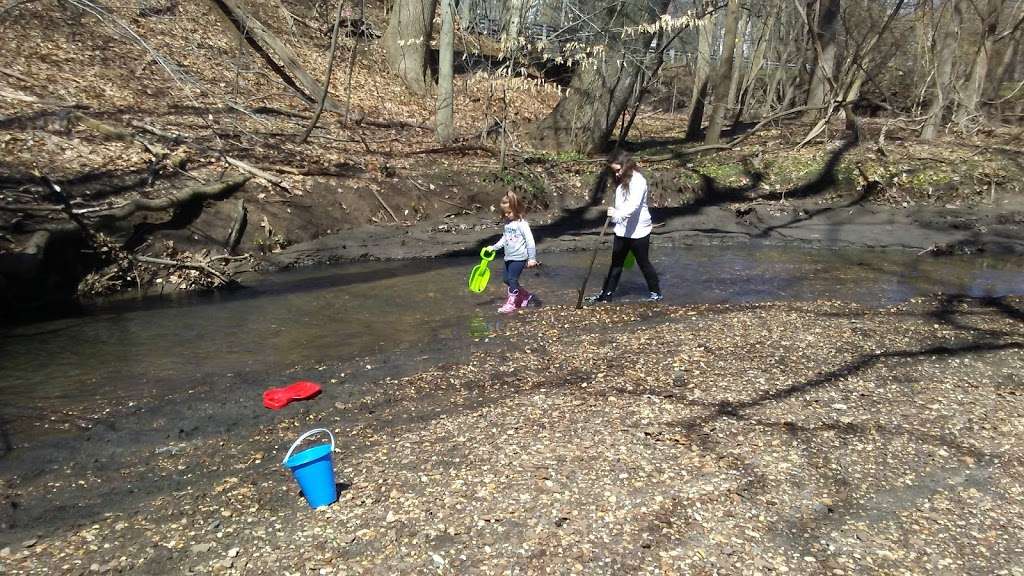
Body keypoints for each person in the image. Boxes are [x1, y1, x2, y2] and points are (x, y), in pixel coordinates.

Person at [587, 150, 662, 303]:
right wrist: (615, 214)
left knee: (643, 262)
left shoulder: (638, 181)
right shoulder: (622, 181)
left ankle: (656, 293)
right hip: (622, 229)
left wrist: (616, 214)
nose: (616, 174)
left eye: (618, 170)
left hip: (638, 231)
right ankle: (606, 294)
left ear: (626, 165)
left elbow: (633, 206)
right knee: (617, 262)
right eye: (613, 171)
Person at [486, 191, 539, 313]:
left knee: (512, 279)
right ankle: (525, 295)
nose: (507, 215)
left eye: (509, 212)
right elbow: (504, 239)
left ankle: (512, 303)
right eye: (505, 213)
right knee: (506, 279)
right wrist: (493, 247)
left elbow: (530, 241)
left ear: (517, 209)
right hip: (508, 257)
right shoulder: (508, 224)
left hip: (519, 258)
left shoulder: (522, 224)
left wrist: (532, 258)